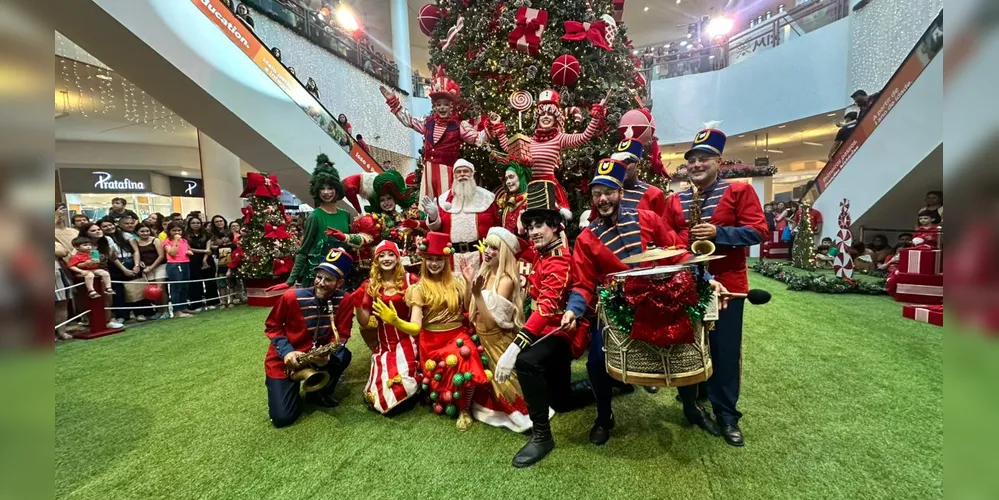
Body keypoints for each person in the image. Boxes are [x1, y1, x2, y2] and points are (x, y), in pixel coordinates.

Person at [562, 155, 717, 446]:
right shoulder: (586, 238)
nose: (603, 199)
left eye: (608, 192)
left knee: (685, 348)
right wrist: (573, 310)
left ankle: (691, 407)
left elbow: (677, 252)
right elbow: (582, 284)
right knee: (596, 361)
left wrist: (706, 278)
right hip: (618, 308)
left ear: (621, 191)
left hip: (662, 300)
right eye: (597, 194)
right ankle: (604, 416)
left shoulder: (647, 219)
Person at [662, 127, 770, 447]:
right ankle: (692, 400)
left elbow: (758, 231)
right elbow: (669, 239)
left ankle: (726, 413)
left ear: (718, 161)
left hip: (727, 286)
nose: (696, 164)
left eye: (703, 158)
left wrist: (719, 234)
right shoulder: (676, 199)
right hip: (687, 283)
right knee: (689, 345)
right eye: (691, 160)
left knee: (723, 349)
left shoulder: (739, 191)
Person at [498, 181, 594, 467]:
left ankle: (542, 435)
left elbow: (548, 306)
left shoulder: (559, 260)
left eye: (540, 224)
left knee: (526, 361)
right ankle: (605, 385)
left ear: (555, 227)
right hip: (550, 331)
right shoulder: (542, 257)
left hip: (567, 333)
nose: (533, 231)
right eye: (530, 226)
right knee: (561, 401)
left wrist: (516, 347)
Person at [372, 232, 488, 431]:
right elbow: (416, 327)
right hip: (432, 341)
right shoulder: (418, 288)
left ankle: (465, 409)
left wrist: (469, 283)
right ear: (425, 261)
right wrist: (396, 321)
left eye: (439, 260)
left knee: (465, 355)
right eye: (430, 259)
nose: (435, 264)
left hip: (457, 334)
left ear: (446, 261)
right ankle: (452, 399)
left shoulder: (457, 282)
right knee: (443, 392)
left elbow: (468, 308)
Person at [265, 249, 355, 428]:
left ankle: (318, 393)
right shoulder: (291, 297)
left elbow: (343, 334)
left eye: (328, 279)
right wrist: (287, 353)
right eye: (318, 277)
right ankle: (288, 388)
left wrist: (328, 356)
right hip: (285, 360)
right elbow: (272, 326)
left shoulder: (345, 300)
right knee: (283, 418)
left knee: (343, 355)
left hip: (316, 358)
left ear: (340, 282)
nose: (320, 283)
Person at [491, 89, 606, 218]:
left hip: (548, 188)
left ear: (555, 118)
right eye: (542, 113)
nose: (546, 116)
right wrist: (499, 129)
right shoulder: (528, 141)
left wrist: (596, 116)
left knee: (548, 223)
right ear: (538, 118)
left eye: (550, 114)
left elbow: (584, 137)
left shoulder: (559, 138)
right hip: (527, 189)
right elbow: (509, 148)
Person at [460, 227, 532, 432]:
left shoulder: (506, 280)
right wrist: (468, 284)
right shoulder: (483, 273)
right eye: (487, 245)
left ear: (505, 254)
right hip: (481, 339)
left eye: (494, 248)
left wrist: (478, 295)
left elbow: (493, 323)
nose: (488, 251)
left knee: (505, 384)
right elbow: (468, 307)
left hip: (497, 341)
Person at [380, 69, 489, 199]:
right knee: (427, 205)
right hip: (428, 173)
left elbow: (478, 139)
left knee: (446, 205)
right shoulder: (428, 122)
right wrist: (393, 102)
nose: (442, 107)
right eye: (438, 104)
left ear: (451, 106)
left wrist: (492, 127)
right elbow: (409, 121)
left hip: (447, 173)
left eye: (445, 104)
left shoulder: (460, 126)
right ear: (435, 106)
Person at [281, 155, 370, 290]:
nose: (326, 192)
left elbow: (348, 243)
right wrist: (290, 280)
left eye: (330, 188)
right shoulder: (314, 216)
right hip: (319, 275)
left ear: (337, 190)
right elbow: (304, 250)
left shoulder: (345, 215)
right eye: (322, 188)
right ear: (317, 191)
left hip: (341, 272)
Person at [354, 240, 421, 415]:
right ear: (376, 260)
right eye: (381, 255)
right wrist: (357, 305)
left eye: (391, 254)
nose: (386, 258)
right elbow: (363, 321)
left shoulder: (410, 280)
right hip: (384, 345)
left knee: (403, 384)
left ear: (398, 258)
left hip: (409, 340)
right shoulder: (370, 285)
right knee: (380, 389)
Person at [422, 159, 500, 276]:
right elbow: (438, 230)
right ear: (454, 175)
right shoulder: (444, 199)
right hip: (452, 258)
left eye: (466, 171)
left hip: (482, 257)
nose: (462, 174)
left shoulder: (487, 198)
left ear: (472, 174)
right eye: (458, 172)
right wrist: (433, 217)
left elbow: (497, 227)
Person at [583, 139, 667, 224]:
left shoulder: (653, 194)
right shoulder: (603, 193)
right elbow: (594, 225)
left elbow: (663, 229)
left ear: (637, 164)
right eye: (618, 162)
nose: (622, 166)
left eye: (627, 162)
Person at [101, 217, 140, 323]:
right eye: (104, 226)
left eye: (110, 225)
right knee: (118, 292)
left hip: (131, 262)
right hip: (115, 265)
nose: (109, 227)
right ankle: (122, 315)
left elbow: (136, 251)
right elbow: (112, 257)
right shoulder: (103, 240)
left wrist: (136, 265)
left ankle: (140, 313)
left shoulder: (126, 235)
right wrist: (123, 269)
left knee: (135, 288)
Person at [185, 216, 219, 312]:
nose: (196, 225)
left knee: (210, 281)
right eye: (193, 223)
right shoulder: (185, 236)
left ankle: (213, 302)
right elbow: (189, 249)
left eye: (198, 223)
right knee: (195, 282)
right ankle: (197, 304)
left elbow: (208, 250)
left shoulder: (207, 234)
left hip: (207, 259)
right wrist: (204, 251)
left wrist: (204, 260)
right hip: (193, 260)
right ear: (189, 225)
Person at [55, 204, 78, 340]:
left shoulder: (73, 231)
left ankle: (61, 331)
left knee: (62, 301)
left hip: (58, 269)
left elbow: (61, 251)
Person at [135, 224, 168, 319]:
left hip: (159, 266)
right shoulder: (136, 242)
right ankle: (159, 311)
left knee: (160, 288)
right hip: (146, 268)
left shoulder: (155, 240)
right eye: (142, 231)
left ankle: (165, 311)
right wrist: (140, 262)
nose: (145, 233)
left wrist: (152, 267)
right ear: (137, 232)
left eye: (147, 231)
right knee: (152, 290)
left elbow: (161, 256)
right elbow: (137, 254)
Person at [162, 221, 194, 318]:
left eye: (179, 230)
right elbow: (172, 253)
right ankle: (176, 311)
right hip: (174, 265)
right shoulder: (167, 242)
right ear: (169, 231)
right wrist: (175, 241)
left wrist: (189, 252)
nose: (177, 233)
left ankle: (183, 307)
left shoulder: (184, 241)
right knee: (176, 287)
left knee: (185, 286)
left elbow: (188, 249)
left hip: (185, 263)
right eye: (174, 230)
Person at [492, 158, 531, 236]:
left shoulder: (532, 200)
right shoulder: (506, 202)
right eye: (506, 179)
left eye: (511, 177)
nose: (508, 182)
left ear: (521, 176)